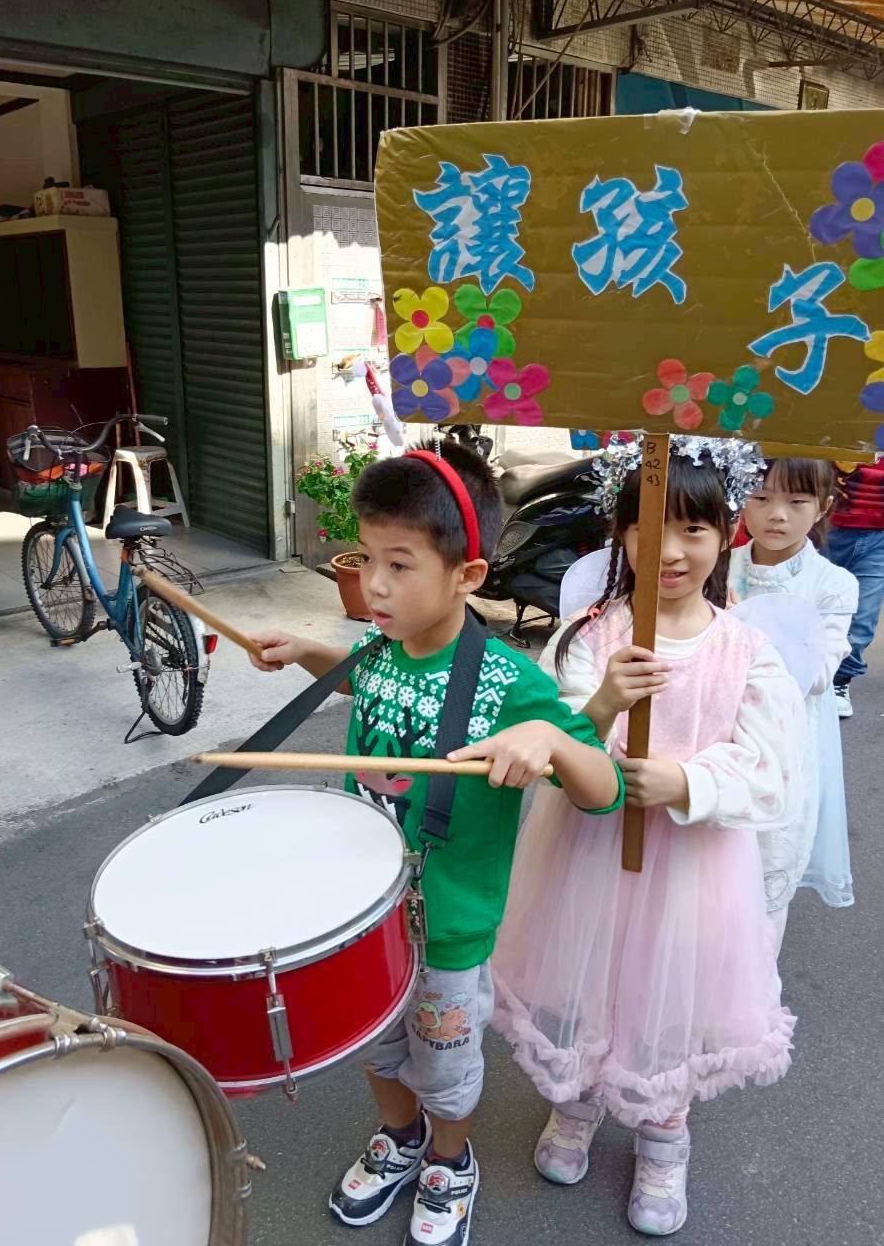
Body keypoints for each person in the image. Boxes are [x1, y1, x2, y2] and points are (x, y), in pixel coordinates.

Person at [248, 439, 623, 1246]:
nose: (374, 585)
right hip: (360, 913)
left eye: (400, 564)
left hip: (448, 930)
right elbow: (363, 676)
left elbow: (604, 790)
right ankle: (401, 1138)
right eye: (366, 558)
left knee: (445, 1066)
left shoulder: (510, 683)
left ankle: (450, 1159)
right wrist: (310, 654)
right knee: (374, 1045)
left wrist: (552, 742)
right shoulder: (383, 649)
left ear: (467, 575)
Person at [483, 437, 804, 1238]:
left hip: (693, 868)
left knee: (671, 1002)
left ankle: (665, 1135)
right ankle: (579, 1102)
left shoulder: (745, 651)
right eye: (649, 528)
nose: (671, 550)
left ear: (725, 534)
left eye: (693, 529)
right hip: (588, 855)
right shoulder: (592, 636)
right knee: (587, 980)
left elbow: (772, 770)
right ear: (621, 534)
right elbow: (556, 738)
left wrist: (689, 782)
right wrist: (602, 707)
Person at [731, 458, 858, 935]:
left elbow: (818, 675)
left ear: (823, 506)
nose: (776, 514)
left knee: (767, 865)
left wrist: (739, 629)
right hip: (715, 730)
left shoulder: (833, 584)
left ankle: (756, 974)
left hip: (784, 739)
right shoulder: (717, 564)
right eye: (761, 497)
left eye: (796, 501)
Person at [825, 458, 884, 718]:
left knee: (863, 617)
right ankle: (806, 673)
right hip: (825, 526)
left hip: (878, 537)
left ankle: (839, 680)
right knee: (814, 603)